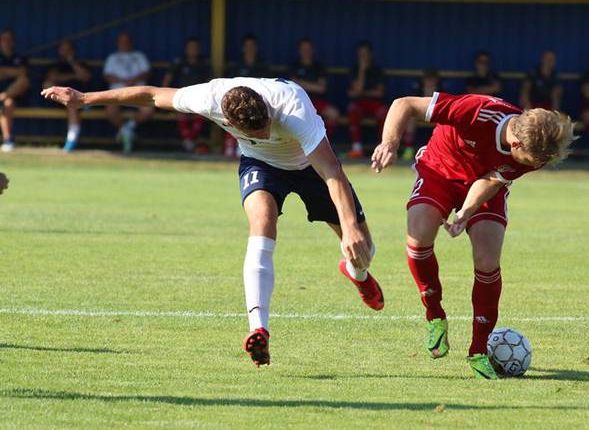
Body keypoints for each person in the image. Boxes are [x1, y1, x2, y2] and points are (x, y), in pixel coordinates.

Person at [42, 76, 385, 368]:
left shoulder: (293, 108)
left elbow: (331, 172)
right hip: (261, 166)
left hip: (311, 169)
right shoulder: (208, 97)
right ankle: (258, 328)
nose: (267, 133)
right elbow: (151, 95)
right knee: (262, 222)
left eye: (267, 125)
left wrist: (351, 226)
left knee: (364, 249)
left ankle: (357, 274)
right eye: (257, 130)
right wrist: (86, 98)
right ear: (229, 122)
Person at [371, 92, 574, 379]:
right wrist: (389, 143)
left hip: (484, 183)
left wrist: (465, 212)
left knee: (487, 259)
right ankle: (435, 314)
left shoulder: (536, 153)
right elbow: (402, 104)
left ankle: (478, 351)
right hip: (440, 170)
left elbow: (492, 178)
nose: (532, 166)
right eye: (528, 160)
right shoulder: (476, 111)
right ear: (515, 143)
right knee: (418, 238)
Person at [103, 32, 153, 153]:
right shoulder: (112, 57)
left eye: (126, 41)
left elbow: (146, 72)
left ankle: (128, 129)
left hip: (137, 92)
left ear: (131, 42)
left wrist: (133, 81)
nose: (124, 43)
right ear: (118, 43)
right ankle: (127, 133)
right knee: (110, 110)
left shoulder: (139, 56)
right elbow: (107, 76)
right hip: (116, 92)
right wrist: (123, 81)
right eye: (122, 41)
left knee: (149, 111)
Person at [224, 34, 272, 158]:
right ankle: (230, 146)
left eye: (252, 46)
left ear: (256, 48)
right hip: (237, 102)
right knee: (231, 115)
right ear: (243, 48)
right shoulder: (236, 65)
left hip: (256, 103)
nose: (249, 49)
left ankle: (248, 146)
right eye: (247, 46)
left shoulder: (262, 65)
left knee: (254, 117)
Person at [163, 37, 212, 153]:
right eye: (191, 47)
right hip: (181, 97)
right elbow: (167, 79)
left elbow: (211, 82)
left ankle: (190, 141)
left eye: (195, 48)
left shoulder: (204, 63)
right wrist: (166, 97)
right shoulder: (179, 61)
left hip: (200, 98)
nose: (193, 50)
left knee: (201, 112)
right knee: (181, 112)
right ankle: (189, 142)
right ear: (186, 49)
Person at [43, 39, 92, 152]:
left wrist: (72, 62)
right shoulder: (55, 65)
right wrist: (73, 76)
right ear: (59, 51)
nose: (66, 52)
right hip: (57, 100)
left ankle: (71, 141)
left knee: (72, 106)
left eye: (68, 50)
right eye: (63, 50)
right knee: (47, 85)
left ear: (73, 51)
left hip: (77, 100)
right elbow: (52, 79)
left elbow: (84, 76)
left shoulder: (80, 64)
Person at [289, 38, 339, 139]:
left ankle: (325, 142)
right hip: (300, 102)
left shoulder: (318, 68)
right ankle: (301, 148)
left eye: (308, 49)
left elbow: (321, 88)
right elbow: (293, 87)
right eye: (303, 49)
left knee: (334, 114)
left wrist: (302, 83)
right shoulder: (294, 67)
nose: (306, 52)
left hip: (317, 101)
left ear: (313, 50)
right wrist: (313, 85)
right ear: (299, 50)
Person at [346, 41, 387, 159]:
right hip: (359, 103)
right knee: (352, 109)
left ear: (370, 54)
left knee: (384, 112)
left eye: (365, 54)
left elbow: (379, 93)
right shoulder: (355, 69)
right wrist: (362, 71)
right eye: (360, 54)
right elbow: (357, 91)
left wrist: (361, 92)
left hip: (375, 103)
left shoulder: (377, 70)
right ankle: (357, 147)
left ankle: (383, 148)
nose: (363, 57)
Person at [400, 68, 441, 161]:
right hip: (421, 115)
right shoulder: (418, 90)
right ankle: (408, 149)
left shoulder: (441, 90)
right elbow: (413, 105)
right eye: (427, 78)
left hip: (437, 115)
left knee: (447, 122)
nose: (429, 81)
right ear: (423, 80)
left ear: (436, 80)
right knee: (410, 119)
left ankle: (441, 152)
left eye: (432, 79)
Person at [0, 29, 30, 152]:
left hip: (16, 95)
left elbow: (23, 74)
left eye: (9, 39)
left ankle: (8, 141)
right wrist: (12, 72)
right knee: (7, 103)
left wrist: (4, 72)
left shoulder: (20, 58)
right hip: (4, 95)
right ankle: (8, 140)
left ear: (13, 42)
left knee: (23, 81)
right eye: (4, 39)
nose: (7, 42)